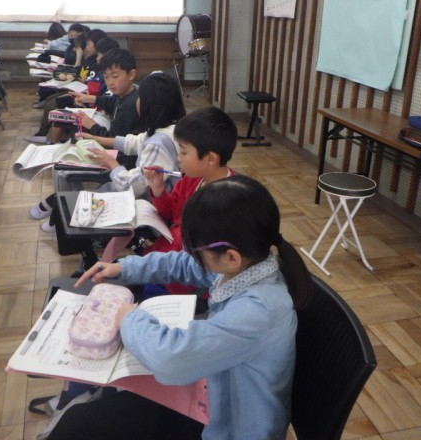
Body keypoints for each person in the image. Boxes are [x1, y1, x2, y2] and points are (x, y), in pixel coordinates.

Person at [48, 175, 313, 440]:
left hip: (230, 427)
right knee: (86, 417)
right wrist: (123, 268)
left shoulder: (258, 311)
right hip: (215, 393)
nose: (192, 255)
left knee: (79, 425)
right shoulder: (249, 263)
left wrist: (130, 320)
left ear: (231, 257)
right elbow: (186, 265)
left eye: (197, 249)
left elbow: (169, 360)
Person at [30, 71, 179, 236]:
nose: (137, 101)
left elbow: (131, 186)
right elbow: (134, 142)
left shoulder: (158, 144)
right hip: (140, 188)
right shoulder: (168, 129)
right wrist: (96, 138)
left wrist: (111, 162)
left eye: (141, 98)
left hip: (148, 205)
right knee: (87, 186)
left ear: (150, 105)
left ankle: (70, 221)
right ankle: (64, 215)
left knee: (86, 189)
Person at [143, 106, 238, 294]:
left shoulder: (230, 199)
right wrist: (158, 189)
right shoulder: (191, 180)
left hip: (188, 276)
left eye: (184, 153)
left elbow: (210, 262)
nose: (178, 158)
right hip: (168, 254)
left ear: (210, 158)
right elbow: (171, 213)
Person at [31, 36, 119, 137]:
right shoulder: (91, 62)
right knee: (51, 102)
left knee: (54, 107)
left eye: (99, 55)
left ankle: (45, 135)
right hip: (85, 96)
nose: (97, 58)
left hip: (92, 106)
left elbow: (101, 96)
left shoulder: (101, 71)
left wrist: (86, 95)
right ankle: (47, 137)